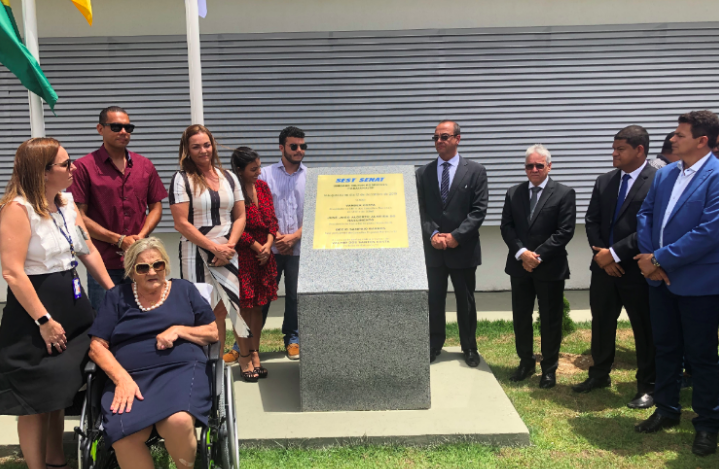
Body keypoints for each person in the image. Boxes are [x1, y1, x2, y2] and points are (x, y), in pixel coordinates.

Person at [0, 138, 113, 469]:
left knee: (59, 388)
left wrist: (113, 290)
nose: (73, 167)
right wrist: (44, 321)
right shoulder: (17, 209)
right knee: (35, 397)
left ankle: (56, 460)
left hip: (74, 307)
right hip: (36, 313)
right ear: (43, 172)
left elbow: (87, 250)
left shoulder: (66, 203)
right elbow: (12, 272)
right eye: (66, 163)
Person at [87, 238, 219, 468]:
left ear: (165, 266)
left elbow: (212, 332)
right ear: (131, 271)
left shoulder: (184, 290)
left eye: (158, 265)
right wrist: (122, 379)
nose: (152, 272)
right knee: (125, 435)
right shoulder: (116, 297)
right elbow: (97, 347)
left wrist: (179, 330)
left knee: (178, 421)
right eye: (143, 267)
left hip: (180, 370)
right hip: (129, 377)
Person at [634, 110, 719, 457]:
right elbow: (645, 215)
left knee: (701, 356)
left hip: (699, 283)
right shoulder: (667, 173)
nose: (672, 139)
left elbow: (709, 232)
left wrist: (658, 260)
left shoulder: (716, 176)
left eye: (680, 135)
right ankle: (667, 409)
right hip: (660, 281)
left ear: (702, 141)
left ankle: (708, 423)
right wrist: (649, 261)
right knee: (666, 348)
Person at [574, 126, 657, 409]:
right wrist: (602, 255)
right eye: (614, 148)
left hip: (636, 270)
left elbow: (650, 227)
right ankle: (599, 375)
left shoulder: (657, 180)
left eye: (620, 149)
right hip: (603, 269)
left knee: (644, 329)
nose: (614, 154)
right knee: (602, 323)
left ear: (639, 150)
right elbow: (592, 220)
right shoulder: (605, 181)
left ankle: (648, 385)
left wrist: (615, 254)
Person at [68, 106, 168, 311]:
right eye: (116, 127)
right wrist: (119, 240)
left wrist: (140, 237)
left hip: (143, 262)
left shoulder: (145, 165)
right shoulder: (84, 167)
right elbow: (79, 216)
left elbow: (156, 206)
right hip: (104, 262)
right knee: (107, 319)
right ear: (100, 129)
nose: (123, 132)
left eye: (128, 128)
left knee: (147, 316)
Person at [224, 126, 307, 362]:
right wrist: (277, 239)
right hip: (267, 250)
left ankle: (292, 338)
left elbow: (316, 212)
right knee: (258, 300)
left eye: (303, 146)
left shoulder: (310, 177)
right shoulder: (265, 175)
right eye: (294, 146)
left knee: (294, 297)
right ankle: (244, 345)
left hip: (298, 247)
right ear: (282, 147)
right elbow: (258, 213)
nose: (299, 150)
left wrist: (294, 237)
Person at [169, 125, 249, 356]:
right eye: (196, 147)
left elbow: (240, 216)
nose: (203, 151)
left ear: (213, 145)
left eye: (207, 145)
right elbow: (181, 223)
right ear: (187, 150)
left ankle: (233, 362)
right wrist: (215, 248)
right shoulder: (181, 179)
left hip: (228, 251)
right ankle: (207, 365)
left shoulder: (229, 177)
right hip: (196, 253)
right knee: (203, 312)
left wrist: (228, 247)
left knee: (229, 308)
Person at [501, 144, 576, 389]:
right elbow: (507, 227)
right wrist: (522, 253)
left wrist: (538, 256)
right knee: (521, 317)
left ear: (549, 166)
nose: (534, 169)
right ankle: (525, 362)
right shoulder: (513, 193)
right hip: (519, 267)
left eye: (539, 165)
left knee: (550, 320)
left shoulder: (564, 193)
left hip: (550, 268)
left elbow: (565, 231)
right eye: (529, 166)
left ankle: (549, 369)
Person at [416, 120, 488, 367]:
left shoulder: (475, 171)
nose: (439, 141)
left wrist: (457, 236)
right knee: (434, 300)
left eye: (444, 137)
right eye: (435, 137)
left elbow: (478, 210)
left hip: (463, 249)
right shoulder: (423, 173)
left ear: (458, 138)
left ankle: (469, 346)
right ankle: (434, 344)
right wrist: (433, 234)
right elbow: (420, 209)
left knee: (465, 301)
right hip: (433, 250)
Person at [227, 147, 279, 381]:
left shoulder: (263, 187)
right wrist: (257, 247)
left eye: (259, 167)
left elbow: (272, 220)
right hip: (244, 255)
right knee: (243, 308)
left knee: (258, 306)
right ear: (239, 170)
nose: (259, 172)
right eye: (253, 169)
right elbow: (233, 225)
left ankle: (255, 352)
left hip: (264, 255)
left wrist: (268, 244)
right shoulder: (232, 191)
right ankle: (244, 355)